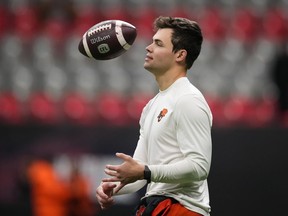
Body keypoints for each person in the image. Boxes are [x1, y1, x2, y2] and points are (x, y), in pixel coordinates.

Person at [96, 16, 213, 216]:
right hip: (156, 206)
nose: (148, 48)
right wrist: (114, 186)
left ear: (180, 55)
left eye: (158, 44)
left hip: (182, 209)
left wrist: (146, 172)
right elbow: (141, 172)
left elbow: (199, 166)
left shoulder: (188, 99)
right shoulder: (151, 106)